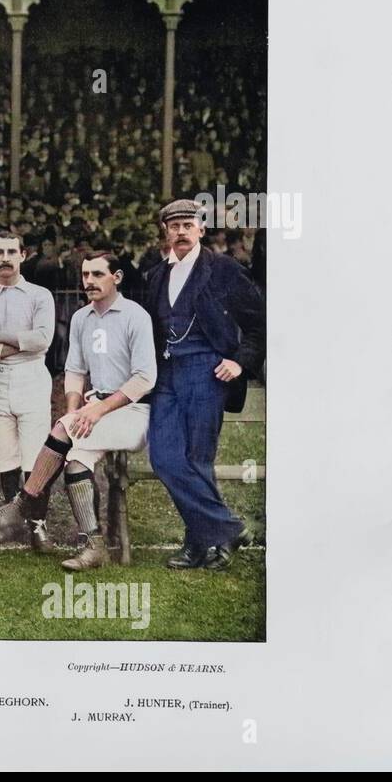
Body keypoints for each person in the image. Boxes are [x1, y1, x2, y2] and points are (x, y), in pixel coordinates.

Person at [0, 253, 156, 571]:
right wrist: (76, 410)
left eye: (97, 274)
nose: (89, 281)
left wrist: (96, 411)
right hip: (96, 412)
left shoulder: (135, 316)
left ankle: (22, 502)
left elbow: (145, 378)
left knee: (64, 430)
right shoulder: (81, 318)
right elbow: (74, 371)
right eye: (85, 274)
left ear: (116, 277)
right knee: (76, 461)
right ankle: (94, 547)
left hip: (134, 410)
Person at [143, 199, 265, 570]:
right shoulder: (154, 276)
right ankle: (229, 528)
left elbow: (260, 321)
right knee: (164, 457)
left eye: (187, 225)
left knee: (198, 460)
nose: (180, 231)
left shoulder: (223, 269)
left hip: (206, 371)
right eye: (173, 225)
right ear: (165, 231)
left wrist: (239, 362)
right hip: (166, 374)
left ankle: (199, 545)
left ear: (200, 229)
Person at [0, 233, 56, 549]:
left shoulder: (39, 296)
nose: (5, 258)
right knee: (6, 457)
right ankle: (15, 518)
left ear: (23, 255)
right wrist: (18, 344)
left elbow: (43, 339)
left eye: (11, 252)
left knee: (35, 457)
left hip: (32, 377)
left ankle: (37, 525)